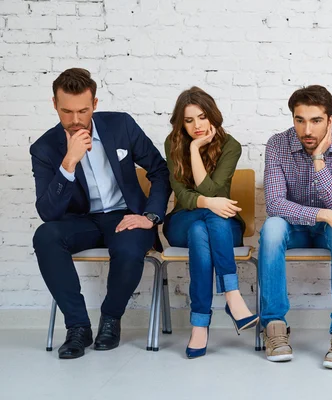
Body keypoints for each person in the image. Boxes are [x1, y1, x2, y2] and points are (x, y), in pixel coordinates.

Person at [31, 68, 171, 359]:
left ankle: (110, 319)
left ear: (95, 104)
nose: (75, 120)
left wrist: (151, 216)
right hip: (80, 221)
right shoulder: (44, 148)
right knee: (45, 237)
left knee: (131, 247)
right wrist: (68, 163)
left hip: (125, 215)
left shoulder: (121, 126)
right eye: (66, 111)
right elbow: (48, 212)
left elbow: (159, 170)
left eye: (82, 110)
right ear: (54, 105)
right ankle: (78, 328)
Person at [259, 85, 332, 369]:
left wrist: (319, 160)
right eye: (299, 120)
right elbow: (275, 204)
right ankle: (274, 328)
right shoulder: (277, 145)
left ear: (330, 121)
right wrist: (324, 215)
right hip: (293, 227)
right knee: (271, 229)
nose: (307, 129)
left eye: (316, 120)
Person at [163, 87, 258, 358]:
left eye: (202, 117)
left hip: (222, 224)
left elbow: (214, 191)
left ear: (212, 116)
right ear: (181, 123)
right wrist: (193, 148)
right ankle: (232, 295)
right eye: (189, 120)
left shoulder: (231, 146)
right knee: (201, 220)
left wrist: (209, 200)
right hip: (182, 219)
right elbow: (183, 194)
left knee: (200, 229)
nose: (197, 126)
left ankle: (199, 324)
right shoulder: (173, 144)